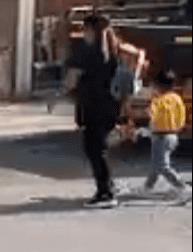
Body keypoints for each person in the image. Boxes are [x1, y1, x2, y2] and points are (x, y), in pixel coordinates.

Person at [64, 13, 142, 208]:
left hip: (93, 106)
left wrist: (65, 90)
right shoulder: (115, 49)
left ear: (89, 29)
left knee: (94, 149)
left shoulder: (87, 51)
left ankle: (105, 193)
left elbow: (72, 76)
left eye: (85, 29)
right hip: (110, 107)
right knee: (98, 148)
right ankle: (108, 186)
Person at [143, 68, 188, 201]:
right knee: (155, 163)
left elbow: (150, 116)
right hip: (173, 135)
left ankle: (182, 186)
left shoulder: (158, 101)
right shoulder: (176, 98)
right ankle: (148, 187)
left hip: (160, 136)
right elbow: (182, 116)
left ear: (157, 86)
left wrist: (149, 102)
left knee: (162, 166)